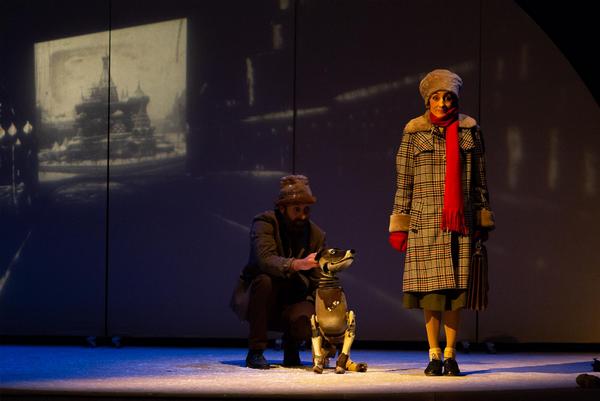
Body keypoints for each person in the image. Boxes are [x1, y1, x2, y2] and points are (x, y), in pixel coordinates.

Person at [388, 69, 495, 376]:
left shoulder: (469, 130)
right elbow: (404, 182)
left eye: (448, 97)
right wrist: (399, 223)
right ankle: (433, 354)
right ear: (428, 101)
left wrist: (483, 217)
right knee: (429, 294)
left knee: (455, 295)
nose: (443, 103)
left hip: (460, 223)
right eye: (437, 98)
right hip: (425, 222)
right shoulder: (414, 132)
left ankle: (450, 354)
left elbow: (480, 180)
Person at [237, 175, 326, 369]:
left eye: (306, 209)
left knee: (306, 318)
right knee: (264, 281)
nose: (303, 215)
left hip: (295, 295)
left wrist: (327, 325)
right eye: (297, 209)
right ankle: (256, 350)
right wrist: (297, 264)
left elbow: (317, 280)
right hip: (265, 296)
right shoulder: (265, 222)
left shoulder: (316, 235)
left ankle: (291, 346)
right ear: (282, 208)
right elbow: (264, 259)